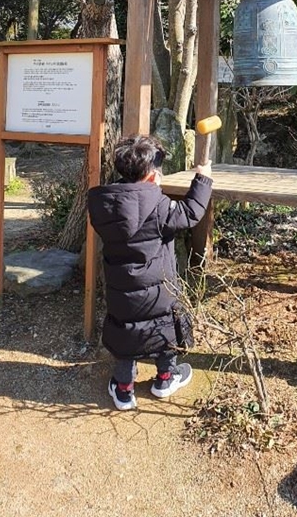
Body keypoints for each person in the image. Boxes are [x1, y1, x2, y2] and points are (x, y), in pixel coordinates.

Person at [88, 134, 213, 411]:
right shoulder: (158, 206)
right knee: (165, 330)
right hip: (159, 291)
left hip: (120, 291)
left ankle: (123, 389)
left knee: (124, 333)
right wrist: (202, 179)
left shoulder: (104, 203)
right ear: (152, 175)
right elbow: (191, 212)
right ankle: (165, 379)